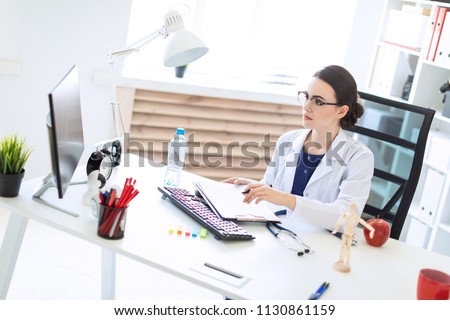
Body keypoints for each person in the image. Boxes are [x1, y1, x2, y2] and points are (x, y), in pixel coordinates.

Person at [223, 65, 374, 231]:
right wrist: (253, 187)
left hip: (321, 245)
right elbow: (272, 188)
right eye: (306, 97)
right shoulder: (287, 140)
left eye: (318, 101)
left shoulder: (359, 157)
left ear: (341, 111)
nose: (306, 106)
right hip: (279, 232)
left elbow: (347, 218)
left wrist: (287, 199)